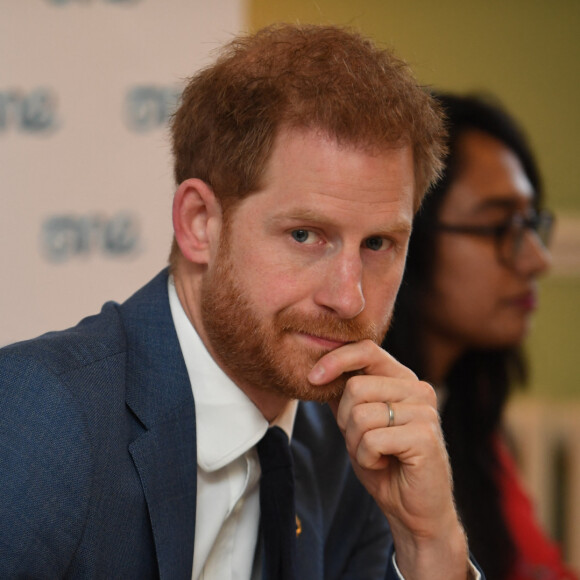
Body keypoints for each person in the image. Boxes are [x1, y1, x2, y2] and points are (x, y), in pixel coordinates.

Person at [0, 25, 481, 579]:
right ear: (199, 223)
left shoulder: (355, 448)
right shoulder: (42, 418)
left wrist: (430, 541)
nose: (349, 297)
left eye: (378, 244)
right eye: (305, 235)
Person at [382, 92, 578, 580]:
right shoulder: (359, 431)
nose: (537, 259)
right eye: (499, 226)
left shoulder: (471, 409)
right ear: (409, 239)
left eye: (532, 224)